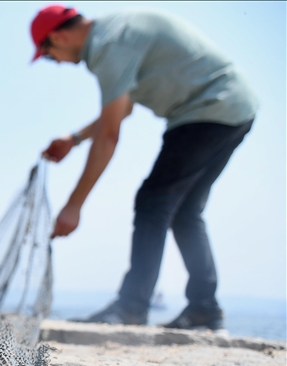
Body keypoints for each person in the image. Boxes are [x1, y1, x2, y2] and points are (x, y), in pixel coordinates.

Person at [31, 5, 258, 334]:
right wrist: (75, 139)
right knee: (185, 211)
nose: (58, 64)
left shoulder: (109, 47)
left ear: (59, 36)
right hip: (235, 107)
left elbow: (109, 136)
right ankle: (204, 311)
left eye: (50, 56)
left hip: (206, 110)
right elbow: (122, 109)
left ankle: (131, 307)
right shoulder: (116, 32)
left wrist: (73, 205)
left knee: (153, 201)